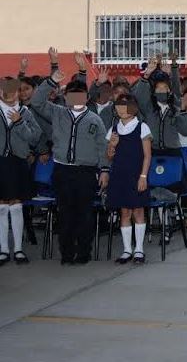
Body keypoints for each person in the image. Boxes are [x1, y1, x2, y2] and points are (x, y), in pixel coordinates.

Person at [33, 68, 109, 265]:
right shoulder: (58, 113)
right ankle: (67, 252)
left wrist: (105, 170)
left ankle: (83, 252)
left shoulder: (95, 120)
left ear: (86, 98)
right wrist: (50, 81)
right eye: (72, 95)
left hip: (85, 171)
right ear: (65, 97)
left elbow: (102, 147)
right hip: (62, 170)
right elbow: (37, 102)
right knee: (65, 213)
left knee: (84, 213)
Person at [104, 95, 152, 264]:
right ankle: (126, 250)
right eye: (119, 106)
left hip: (137, 175)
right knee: (124, 212)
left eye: (125, 106)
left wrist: (143, 176)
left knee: (138, 211)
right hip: (119, 176)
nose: (122, 109)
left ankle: (139, 249)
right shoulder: (114, 129)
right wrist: (112, 146)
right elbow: (109, 157)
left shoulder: (142, 127)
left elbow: (147, 156)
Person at [0, 78, 42, 265]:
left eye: (12, 89)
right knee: (1, 207)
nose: (8, 93)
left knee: (17, 205)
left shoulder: (25, 112)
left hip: (18, 162)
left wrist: (19, 123)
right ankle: (3, 250)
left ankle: (18, 249)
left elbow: (34, 137)